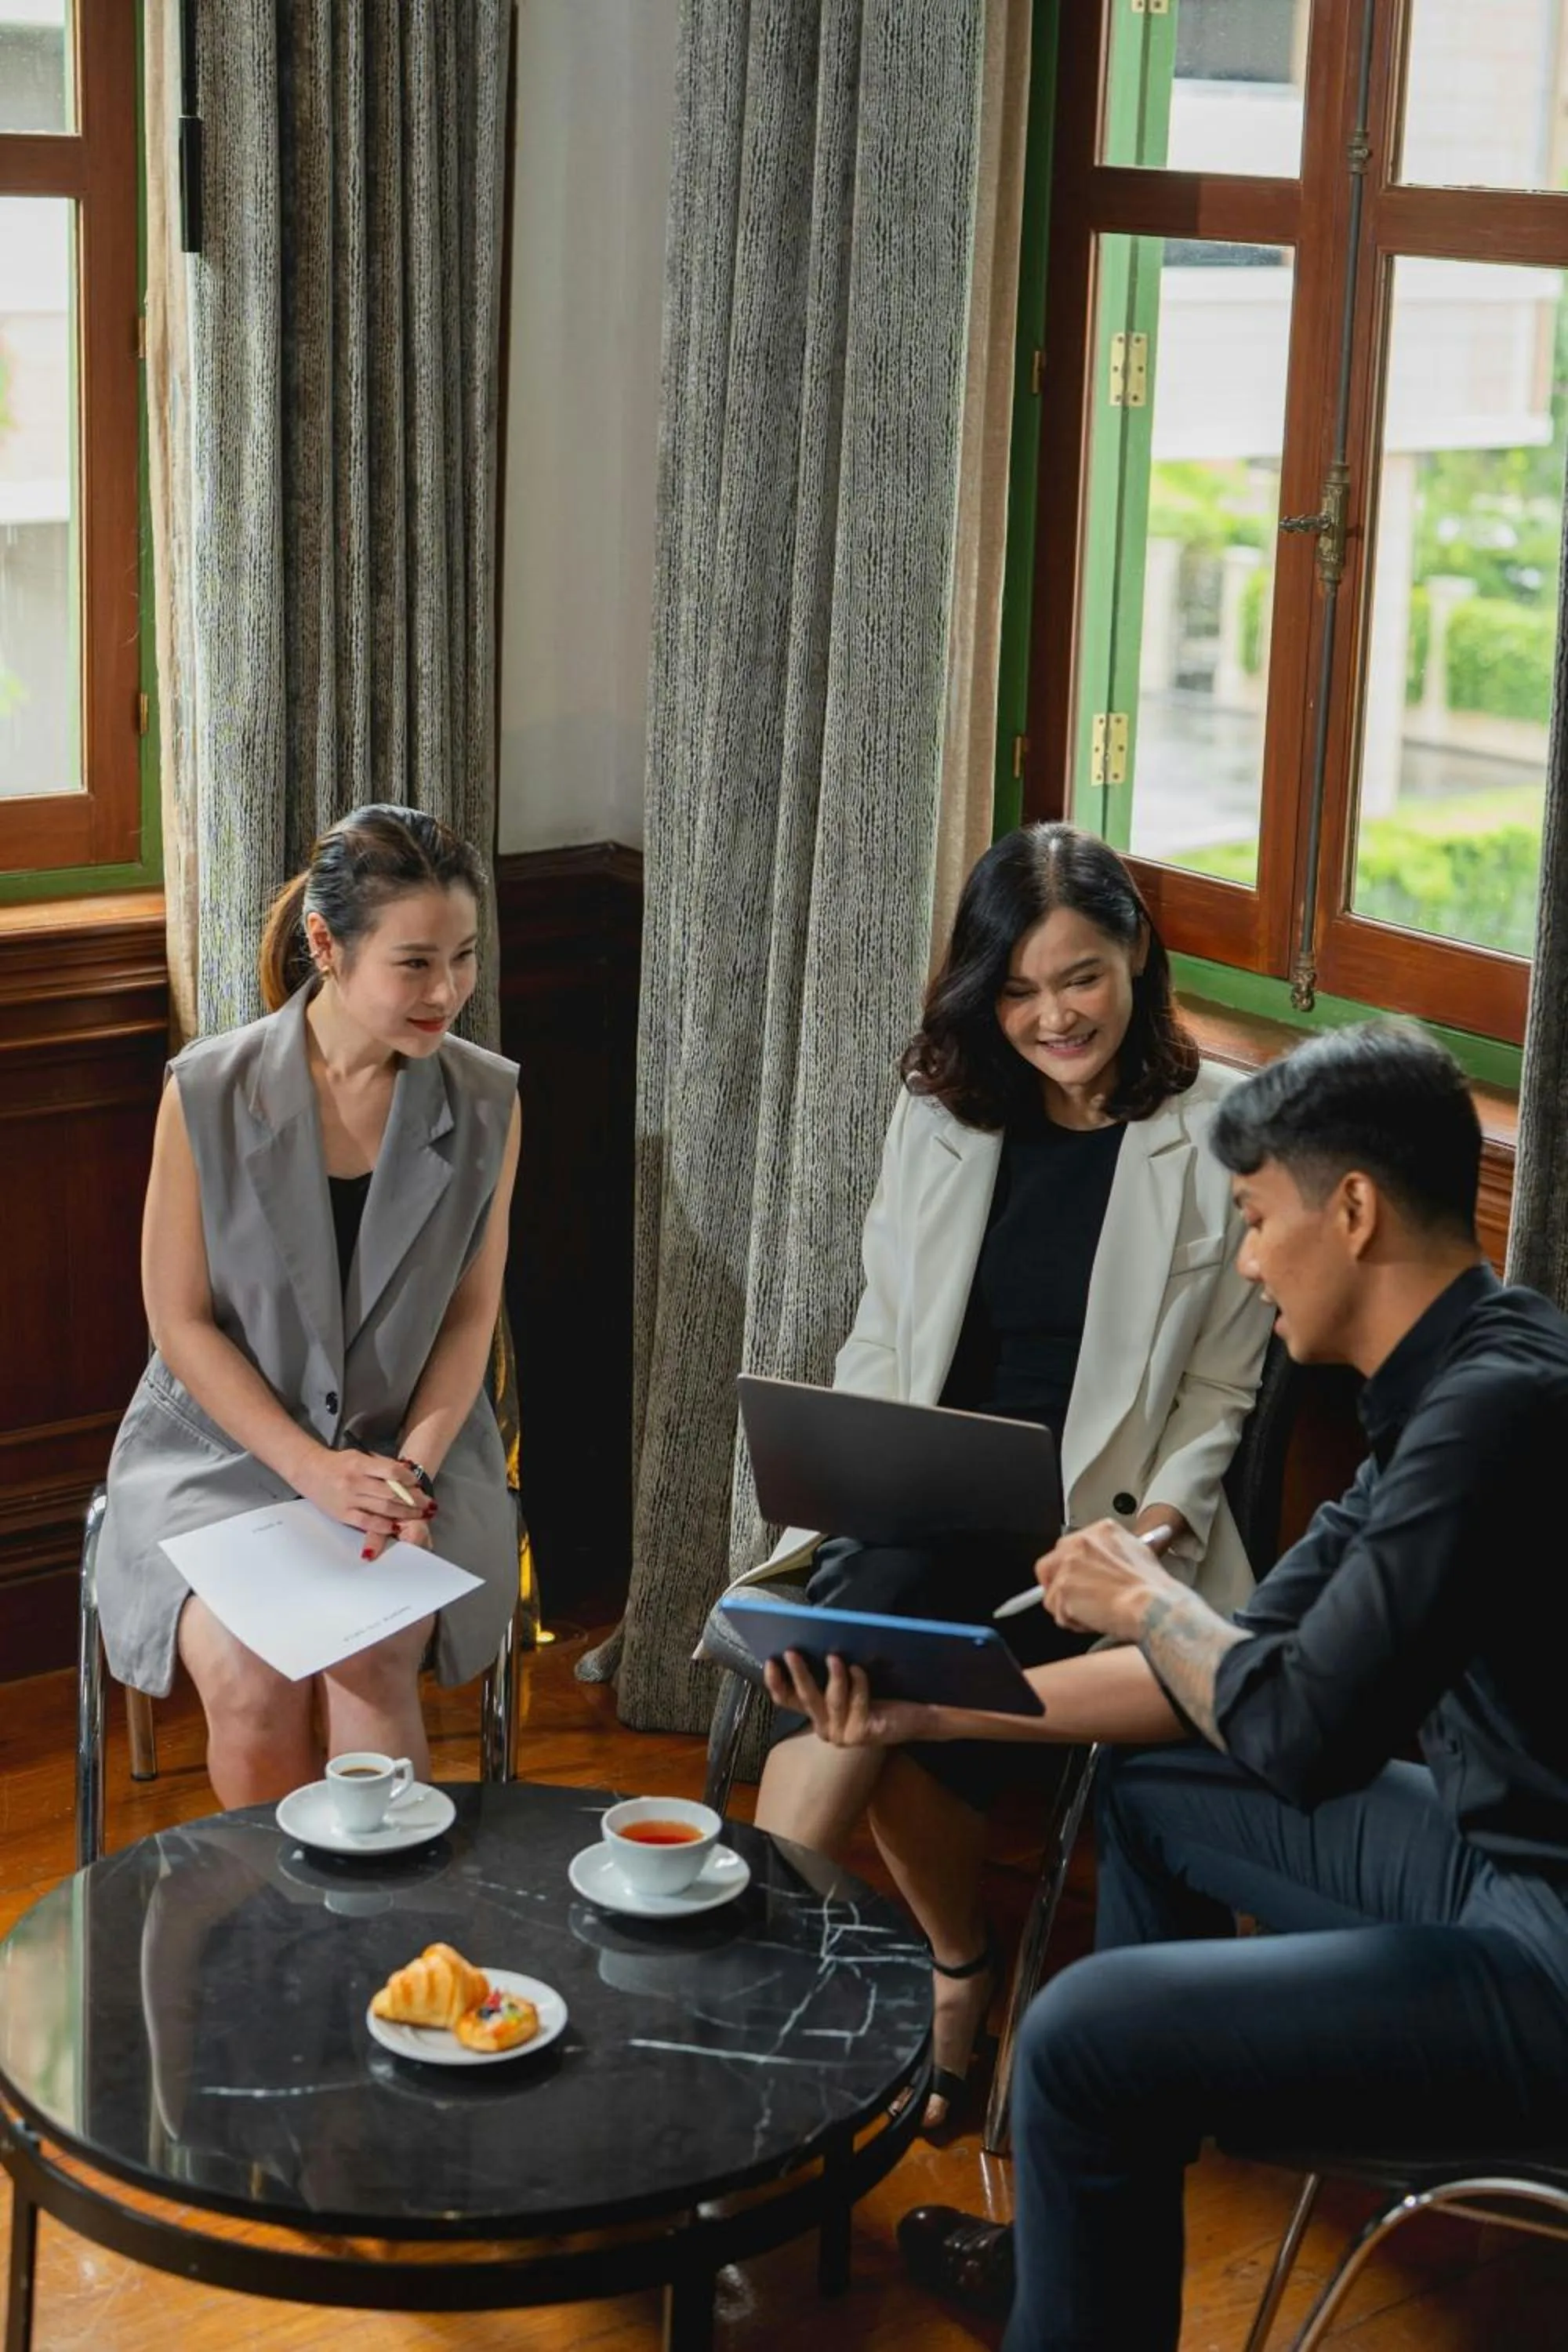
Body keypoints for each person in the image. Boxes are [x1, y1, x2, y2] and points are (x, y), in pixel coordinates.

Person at [767, 1020, 1568, 2352]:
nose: (1248, 1263)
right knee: (1156, 1786)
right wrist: (921, 1709)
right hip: (1499, 1865)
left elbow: (1298, 1732)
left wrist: (1147, 1599)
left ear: (1353, 1210)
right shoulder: (1461, 1372)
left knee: (1083, 2031)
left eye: (1257, 1220)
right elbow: (1229, 1682)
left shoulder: (1490, 1419)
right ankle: (1063, 2270)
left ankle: (1090, 2214)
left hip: (1549, 1952)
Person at [750, 823, 1275, 2129]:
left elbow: (1219, 1393)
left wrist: (1157, 1528)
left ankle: (749, 2009)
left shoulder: (1221, 1132)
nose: (1052, 1016)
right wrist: (860, 1464)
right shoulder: (941, 1105)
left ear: (1136, 957)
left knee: (866, 1660)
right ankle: (897, 1972)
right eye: (1021, 988)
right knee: (863, 1636)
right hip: (935, 1494)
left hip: (1100, 1530)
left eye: (1079, 978)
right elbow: (886, 1324)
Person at [96, 805, 523, 1809]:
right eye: (414, 964)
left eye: (463, 957)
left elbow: (470, 1319)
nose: (449, 992)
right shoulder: (204, 1091)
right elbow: (181, 1321)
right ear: (326, 946)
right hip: (220, 1458)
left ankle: (388, 1948)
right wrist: (311, 1470)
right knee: (251, 1679)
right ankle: (281, 1947)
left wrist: (405, 1473)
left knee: (369, 1656)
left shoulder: (490, 1101)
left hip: (407, 1453)